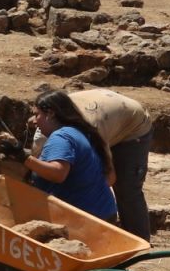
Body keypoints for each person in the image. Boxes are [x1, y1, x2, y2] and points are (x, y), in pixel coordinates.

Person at [13, 90, 118, 221]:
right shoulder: (79, 131)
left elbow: (58, 173)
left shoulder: (61, 137)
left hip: (87, 219)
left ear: (50, 113)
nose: (34, 121)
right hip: (102, 213)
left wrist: (23, 157)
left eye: (37, 115)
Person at [66, 88, 154, 237]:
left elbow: (109, 177)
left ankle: (139, 243)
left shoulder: (91, 131)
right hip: (108, 112)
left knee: (127, 189)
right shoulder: (43, 127)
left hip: (132, 126)